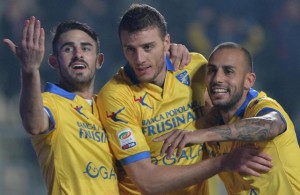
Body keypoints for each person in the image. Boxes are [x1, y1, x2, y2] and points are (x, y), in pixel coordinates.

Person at [3, 16, 191, 195]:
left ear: (99, 60)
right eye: (68, 49)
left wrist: (168, 51)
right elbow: (34, 123)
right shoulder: (51, 103)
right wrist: (30, 70)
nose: (78, 55)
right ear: (54, 61)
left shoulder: (108, 106)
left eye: (86, 48)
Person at [97, 4, 273, 195]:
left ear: (166, 43)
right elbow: (148, 183)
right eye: (130, 49)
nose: (139, 59)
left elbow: (227, 115)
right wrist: (223, 162)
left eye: (148, 47)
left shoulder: (194, 66)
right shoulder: (116, 96)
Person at [155, 42, 300, 194]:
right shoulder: (213, 121)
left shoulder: (259, 107)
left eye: (228, 71)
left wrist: (202, 135)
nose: (217, 78)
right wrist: (170, 49)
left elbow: (272, 125)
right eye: (212, 71)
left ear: (248, 81)